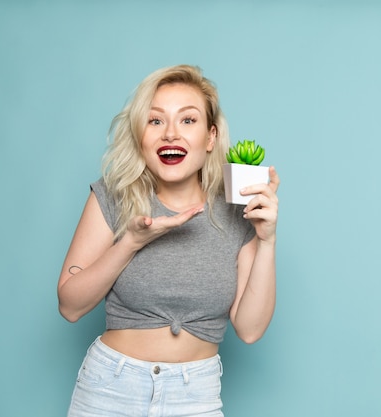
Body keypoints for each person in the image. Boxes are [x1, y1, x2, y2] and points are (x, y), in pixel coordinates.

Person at [58, 64, 280, 416]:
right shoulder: (112, 198)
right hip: (110, 390)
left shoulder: (238, 210)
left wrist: (266, 240)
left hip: (196, 396)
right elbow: (70, 306)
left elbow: (250, 330)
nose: (170, 134)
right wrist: (129, 242)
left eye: (188, 120)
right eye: (155, 120)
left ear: (210, 138)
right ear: (140, 136)